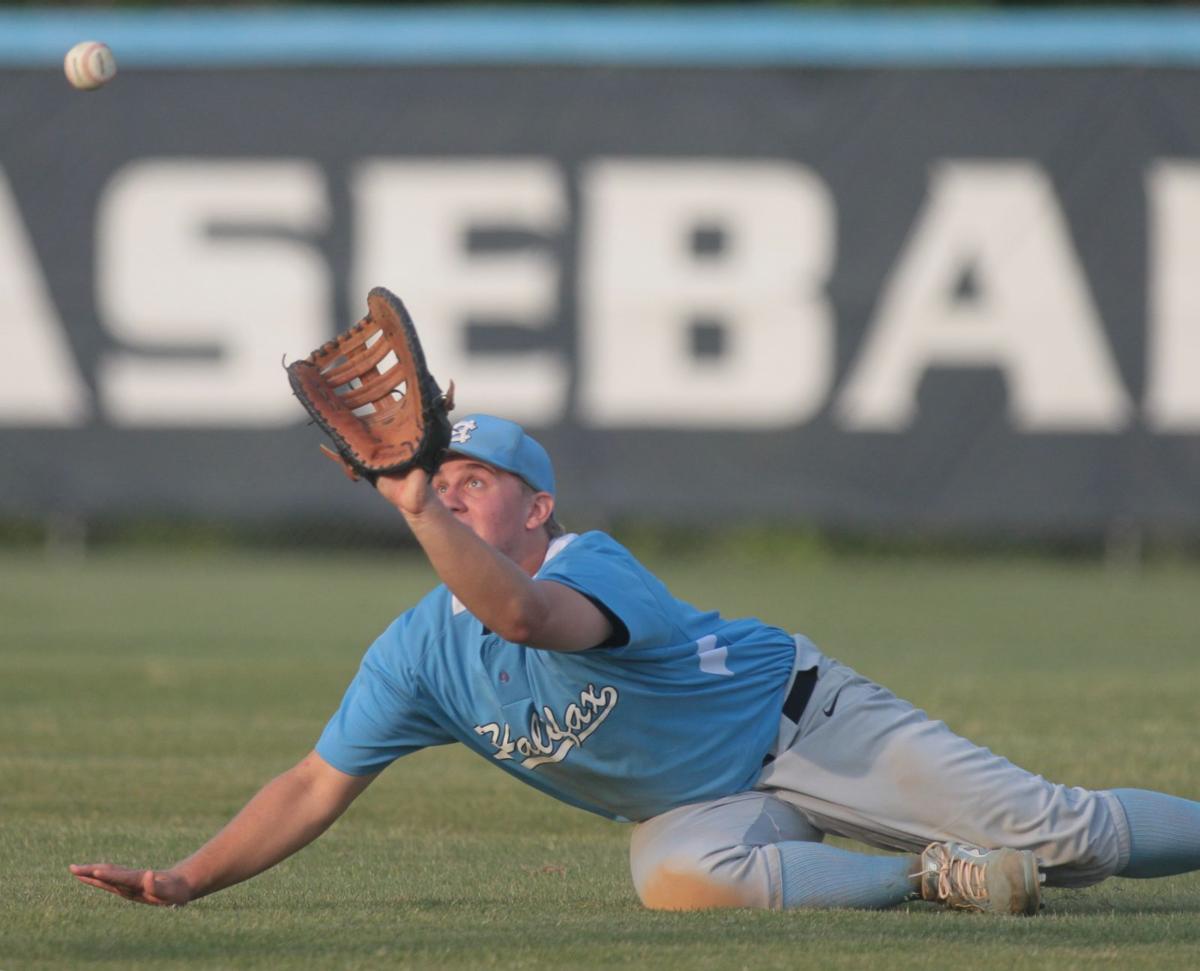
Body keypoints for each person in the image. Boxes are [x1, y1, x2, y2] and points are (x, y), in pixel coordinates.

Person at [71, 415, 1200, 915]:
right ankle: (932, 878)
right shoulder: (418, 652)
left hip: (804, 721)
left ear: (538, 503)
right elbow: (314, 782)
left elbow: (521, 615)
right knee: (674, 881)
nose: (452, 485)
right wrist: (183, 879)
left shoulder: (590, 562)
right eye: (439, 477)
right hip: (706, 803)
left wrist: (416, 510)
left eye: (477, 477)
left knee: (1074, 841)